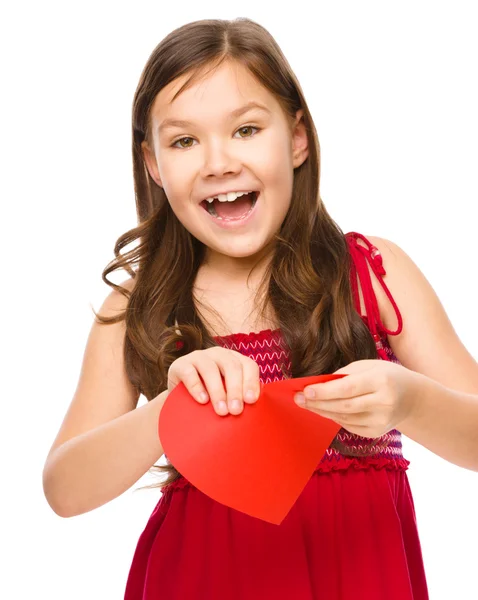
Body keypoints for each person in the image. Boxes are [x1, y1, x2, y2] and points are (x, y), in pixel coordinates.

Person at [42, 17, 478, 600]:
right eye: (184, 141)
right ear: (152, 163)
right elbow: (64, 491)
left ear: (297, 137)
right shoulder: (137, 307)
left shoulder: (373, 275)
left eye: (246, 129)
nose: (218, 162)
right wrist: (173, 413)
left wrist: (411, 400)